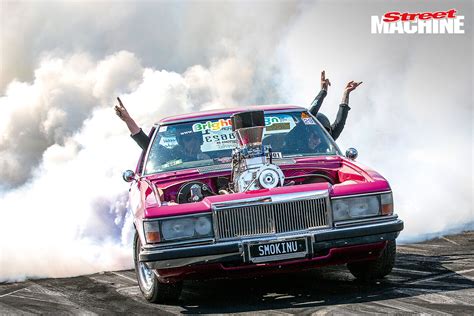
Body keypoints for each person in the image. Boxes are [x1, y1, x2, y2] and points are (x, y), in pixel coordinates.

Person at [309, 71, 362, 140]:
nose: (318, 141)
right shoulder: (299, 131)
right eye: (315, 137)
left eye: (322, 138)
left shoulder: (328, 139)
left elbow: (340, 122)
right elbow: (309, 113)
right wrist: (323, 91)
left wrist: (346, 92)